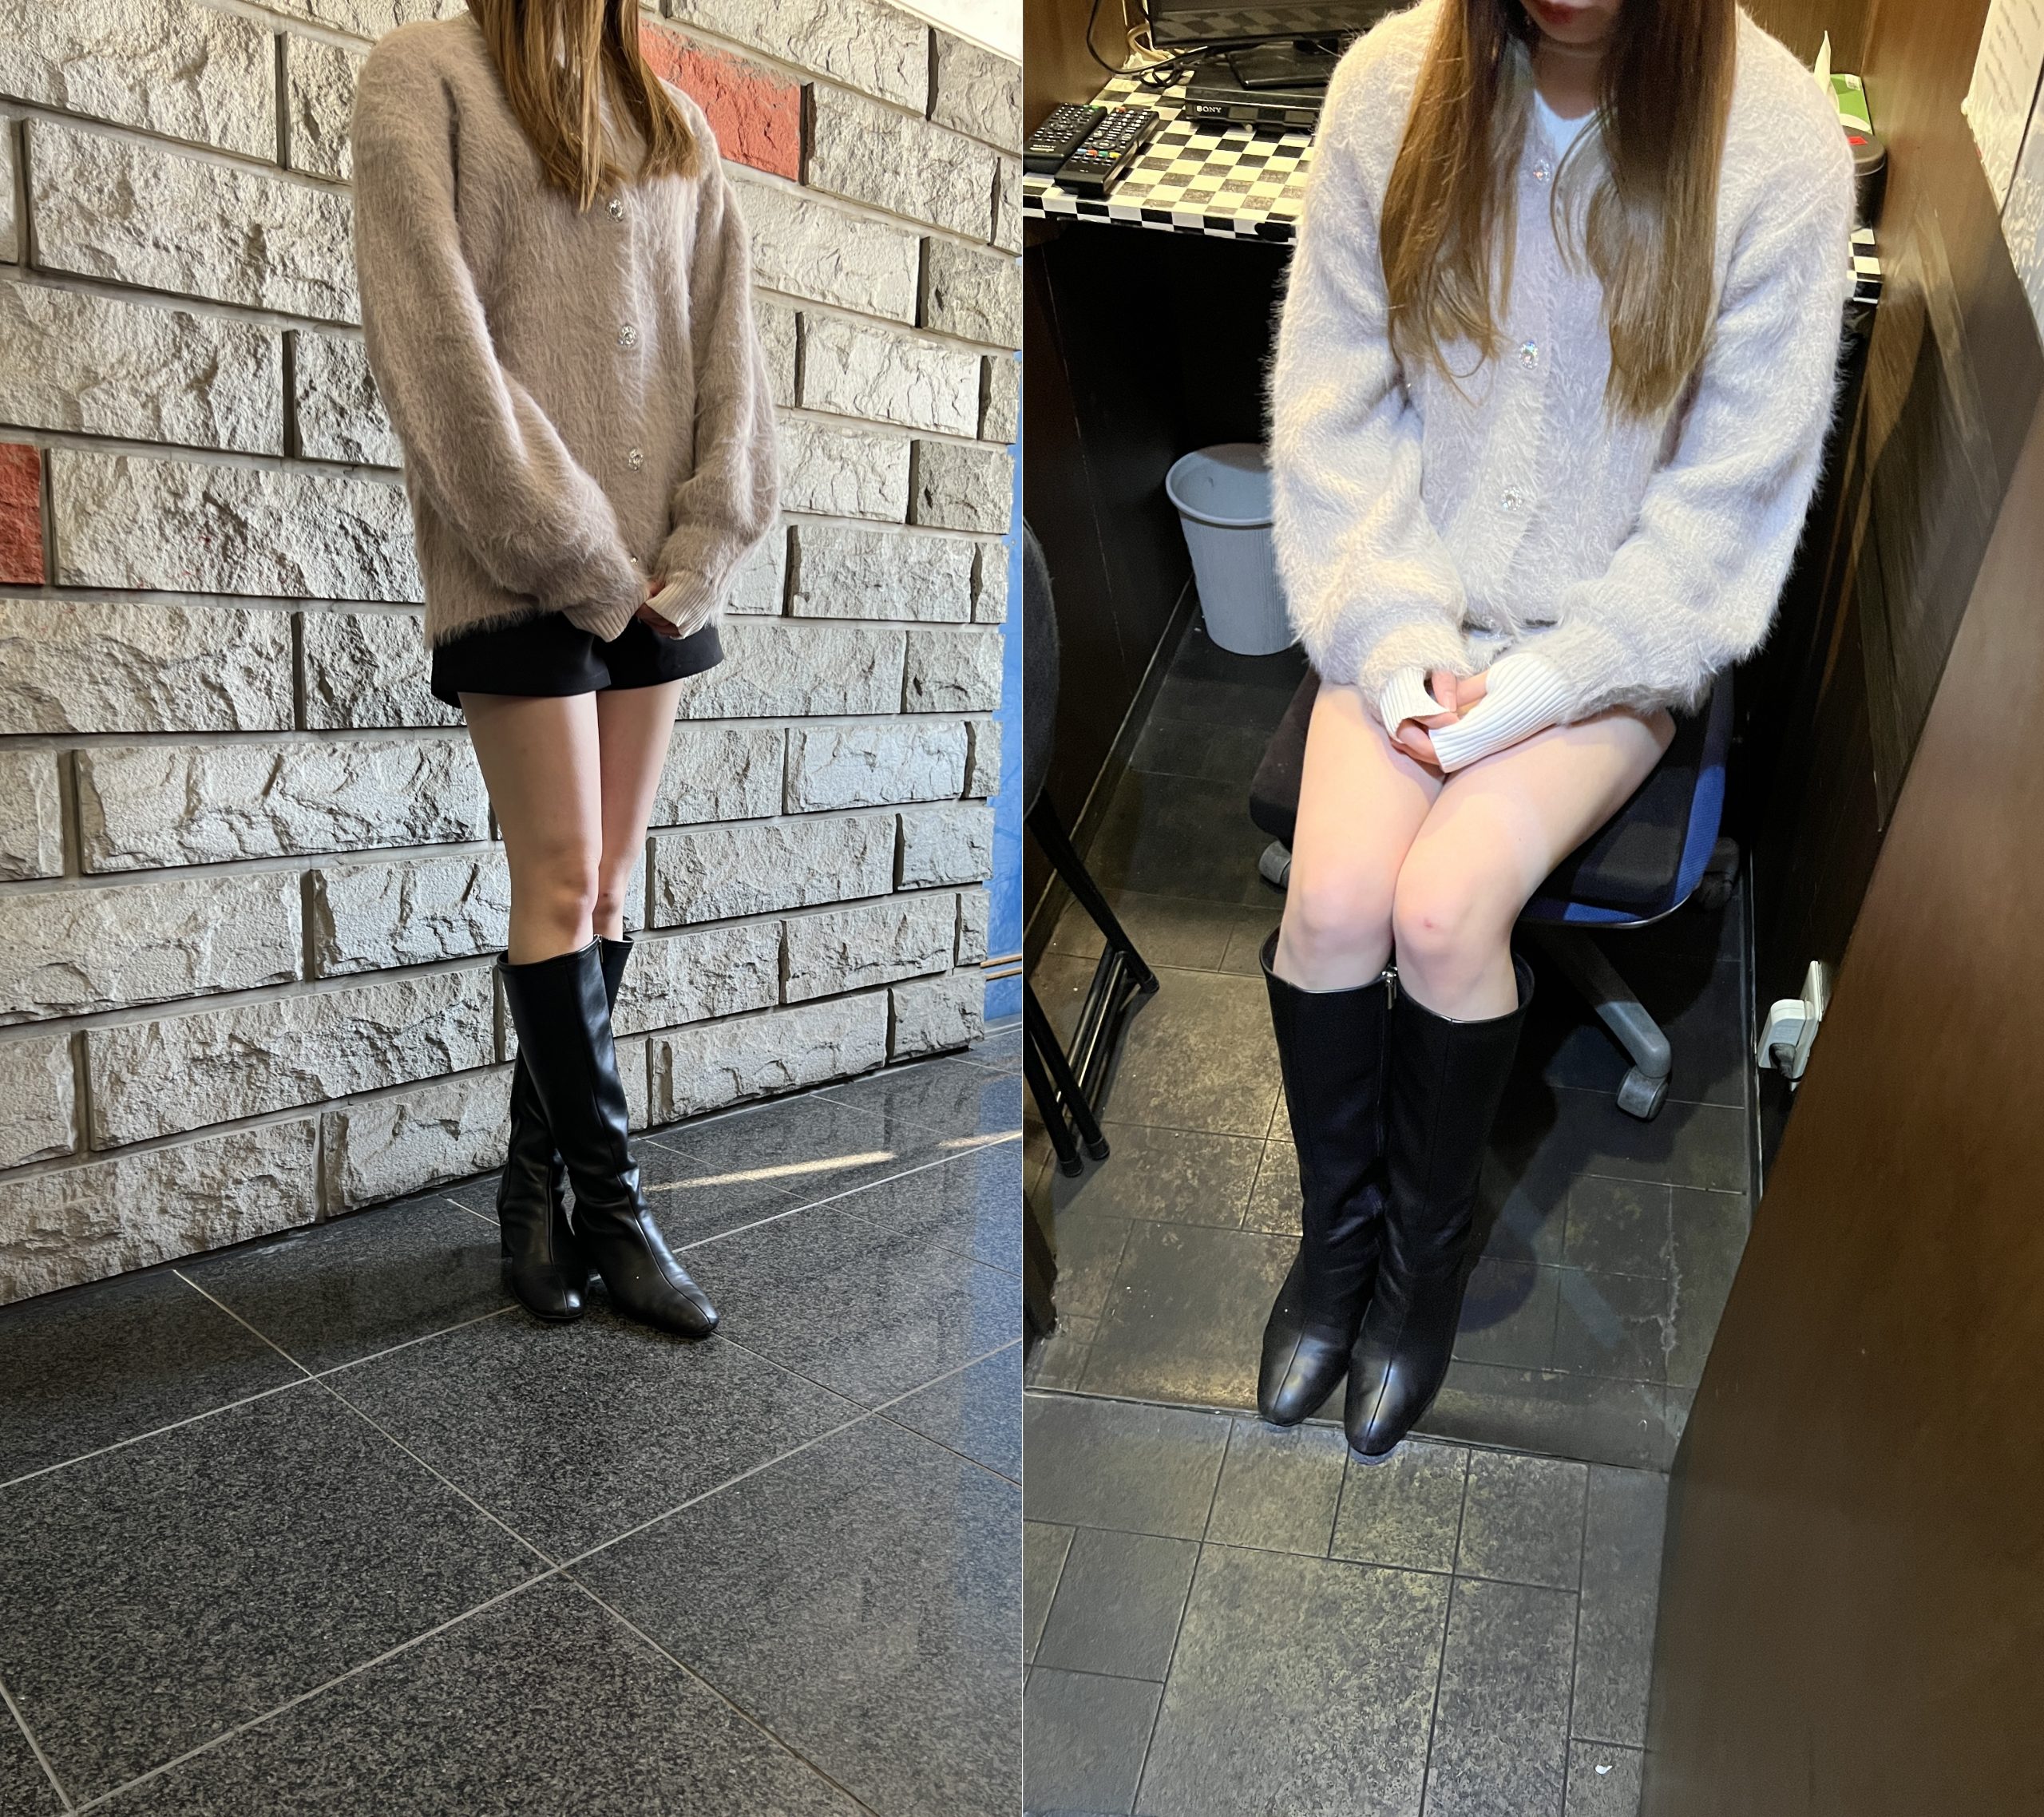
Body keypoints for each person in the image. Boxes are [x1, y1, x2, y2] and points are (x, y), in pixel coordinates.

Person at [1259, 0, 1853, 1459]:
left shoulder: (1777, 142)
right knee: (1329, 907)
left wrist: (1545, 686)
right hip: (1414, 598)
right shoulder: (1388, 85)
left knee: (1444, 911)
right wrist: (1397, 642)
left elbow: (1725, 510)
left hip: (1610, 647)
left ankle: (1420, 1268)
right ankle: (1338, 1247)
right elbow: (1337, 416)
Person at [351, 0, 778, 1336]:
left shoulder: (674, 121)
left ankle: (534, 1202)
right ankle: (619, 1210)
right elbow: (435, 350)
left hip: (658, 580)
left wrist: (702, 547)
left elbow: (731, 355)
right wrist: (573, 551)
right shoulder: (423, 79)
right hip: (514, 556)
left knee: (604, 883)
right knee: (556, 876)